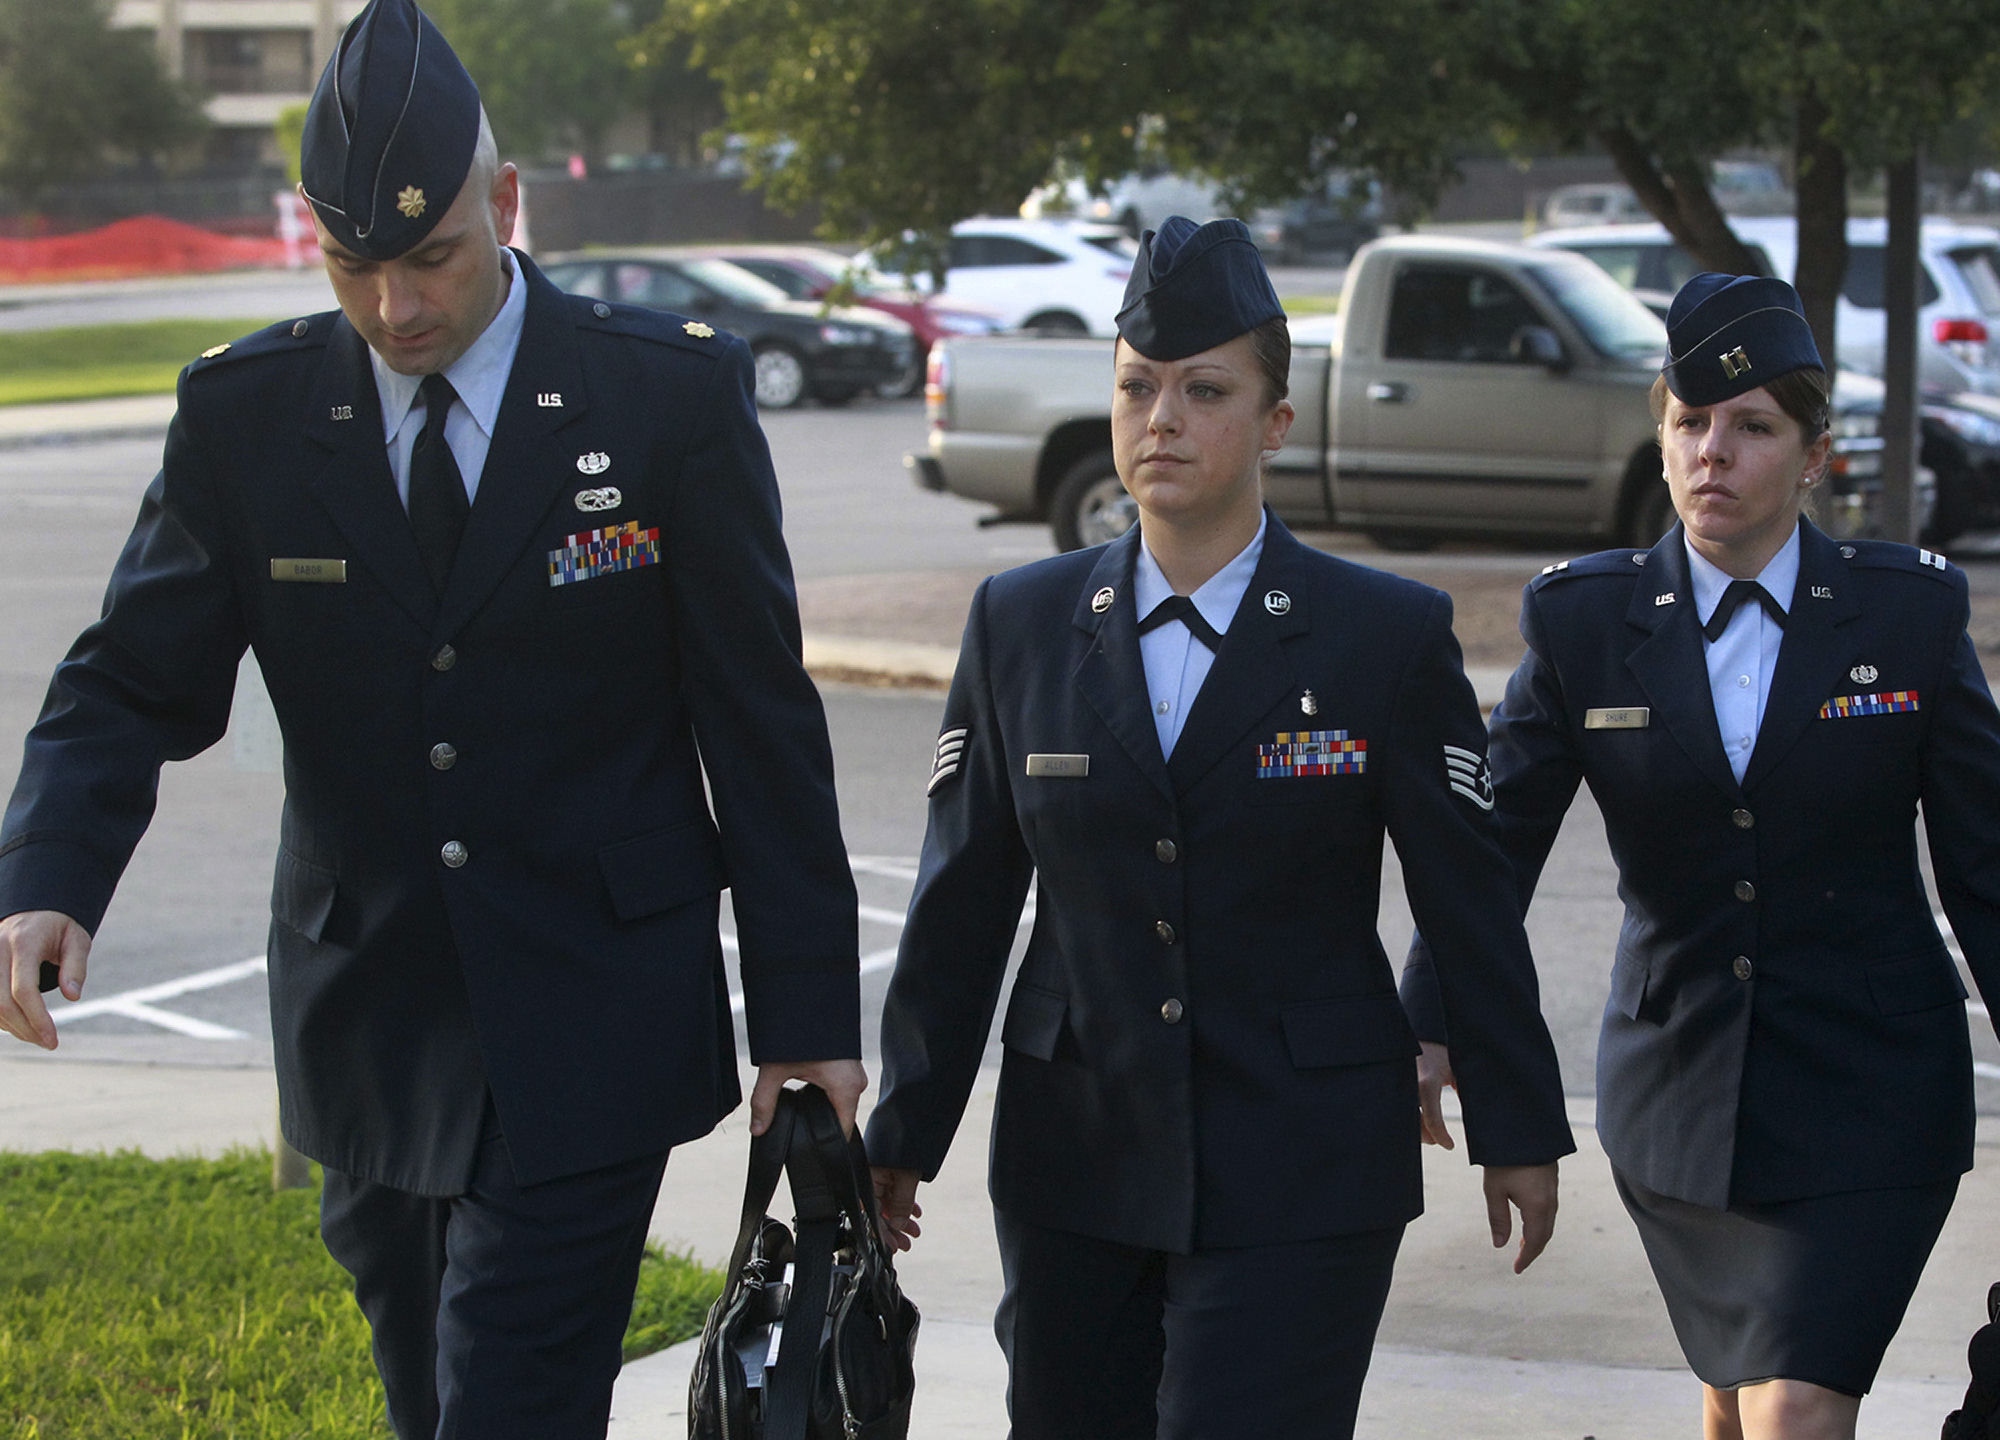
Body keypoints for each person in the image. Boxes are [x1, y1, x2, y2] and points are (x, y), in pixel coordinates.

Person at [0, 2, 864, 1435]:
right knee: (430, 1399)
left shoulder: (666, 399)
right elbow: (129, 680)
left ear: (507, 205)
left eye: (432, 258)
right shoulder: (248, 418)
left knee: (505, 1401)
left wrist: (809, 1019)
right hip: (372, 1020)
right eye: (356, 266)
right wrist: (46, 877)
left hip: (595, 1009)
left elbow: (760, 722)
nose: (396, 308)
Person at [862, 215, 1575, 1439]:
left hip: (1302, 1158)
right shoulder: (1019, 623)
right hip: (1077, 1154)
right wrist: (902, 1130)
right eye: (1136, 387)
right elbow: (960, 896)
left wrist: (1515, 1122)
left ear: (1275, 424)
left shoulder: (1380, 635)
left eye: (1203, 390)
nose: (1161, 420)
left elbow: (1466, 894)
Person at [1403, 271, 2000, 1440]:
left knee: (1796, 1408)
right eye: (1688, 422)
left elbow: (1984, 863)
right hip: (1678, 1092)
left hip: (1869, 1091)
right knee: (1734, 1405)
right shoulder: (1582, 622)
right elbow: (1489, 850)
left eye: (1751, 427)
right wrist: (1428, 1016)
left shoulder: (1904, 617)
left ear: (1814, 457)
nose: (1711, 451)